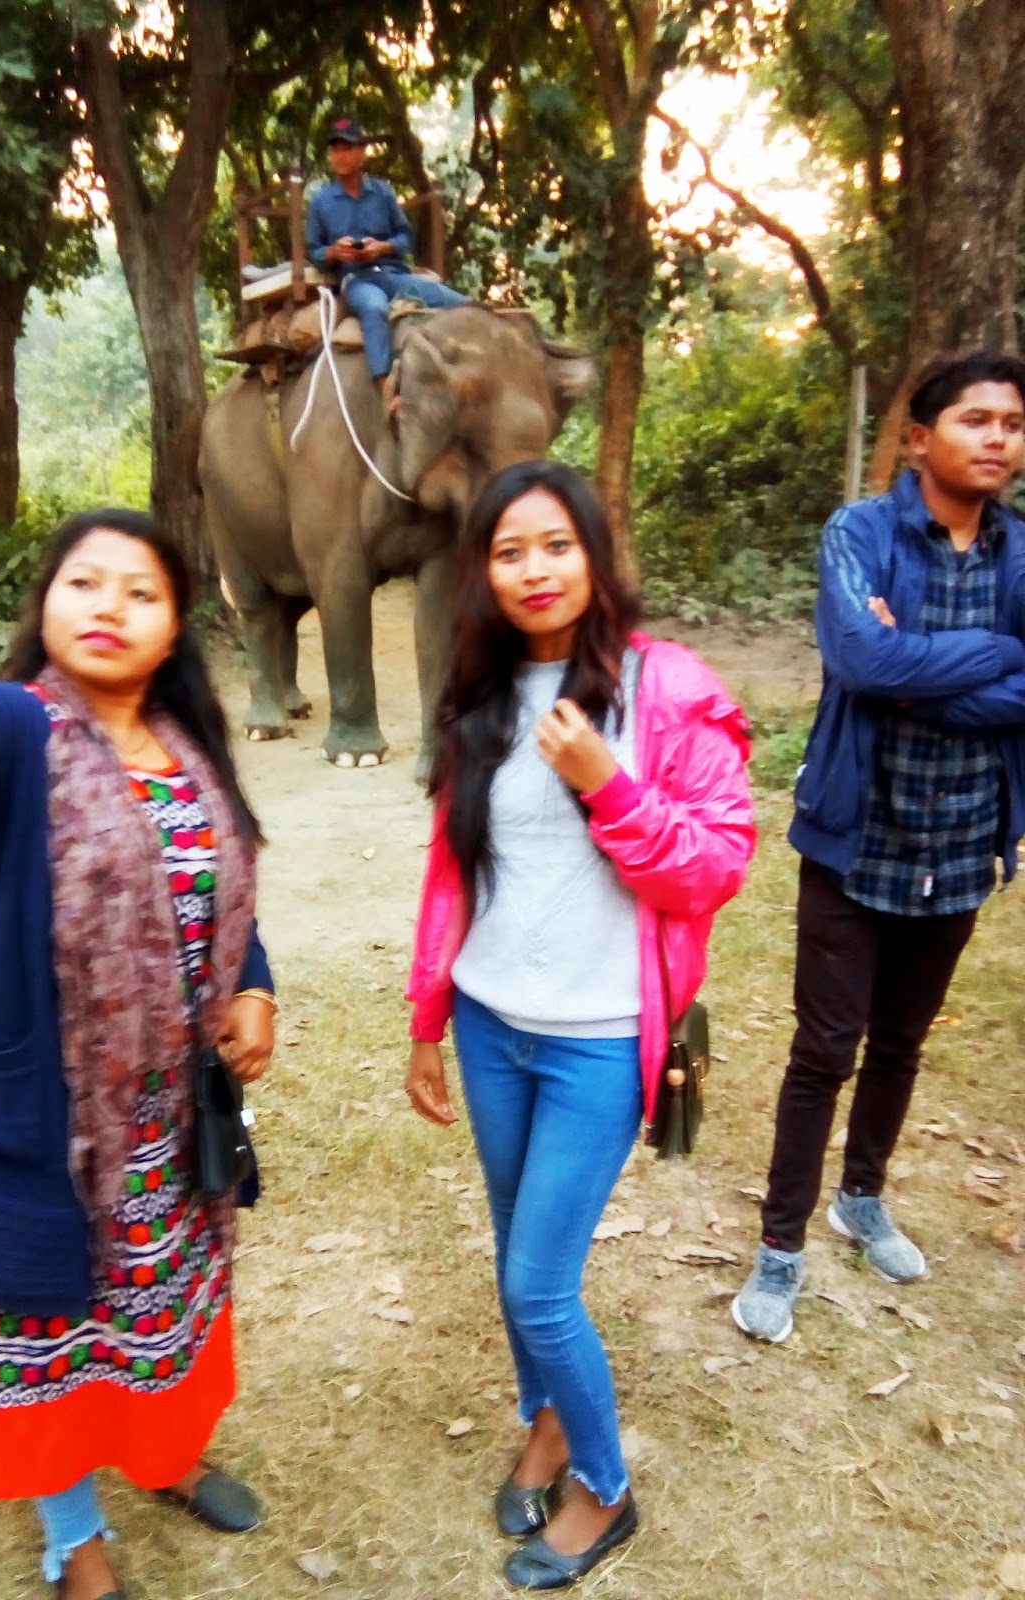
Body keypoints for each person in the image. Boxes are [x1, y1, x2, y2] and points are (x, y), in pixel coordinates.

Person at [0, 509, 278, 1600]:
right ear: (48, 606)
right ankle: (74, 1535)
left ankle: (165, 1456)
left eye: (141, 591)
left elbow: (212, 887)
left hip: (171, 1123)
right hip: (52, 1121)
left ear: (174, 627)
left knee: (163, 1313)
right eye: (85, 582)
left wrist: (254, 983)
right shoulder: (13, 726)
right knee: (51, 1338)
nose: (110, 606)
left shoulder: (186, 748)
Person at [404, 460, 755, 1591]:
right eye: (508, 551)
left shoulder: (668, 687)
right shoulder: (482, 695)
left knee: (537, 1284)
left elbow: (715, 866)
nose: (535, 569)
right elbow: (454, 874)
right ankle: (546, 1427)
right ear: (484, 573)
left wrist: (610, 783)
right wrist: (427, 1016)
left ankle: (603, 1488)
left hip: (599, 1039)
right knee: (517, 1246)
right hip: (491, 1025)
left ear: (596, 555)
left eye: (556, 544)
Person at [732, 350, 1025, 1346]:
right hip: (858, 843)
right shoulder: (858, 534)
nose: (998, 438)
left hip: (964, 840)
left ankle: (861, 1197)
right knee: (824, 1051)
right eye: (976, 419)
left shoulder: (1019, 556)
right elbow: (862, 660)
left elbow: (903, 674)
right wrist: (1000, 652)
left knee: (900, 1044)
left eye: (1012, 423)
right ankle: (780, 1249)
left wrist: (913, 679)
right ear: (918, 437)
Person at [306, 116, 467, 401]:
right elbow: (314, 251)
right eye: (335, 149)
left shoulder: (382, 192)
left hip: (394, 274)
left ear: (361, 153)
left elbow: (405, 237)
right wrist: (333, 252)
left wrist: (382, 247)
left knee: (453, 300)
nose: (340, 156)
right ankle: (385, 388)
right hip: (357, 279)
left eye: (347, 148)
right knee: (374, 307)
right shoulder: (321, 201)